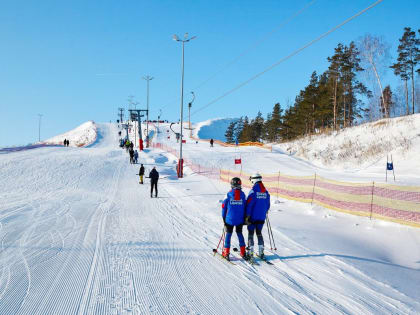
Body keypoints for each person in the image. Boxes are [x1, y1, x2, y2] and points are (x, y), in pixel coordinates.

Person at [221, 177, 247, 260]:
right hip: (240, 219)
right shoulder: (243, 195)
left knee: (229, 234)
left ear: (232, 184)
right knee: (239, 233)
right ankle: (243, 252)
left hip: (230, 219)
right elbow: (245, 207)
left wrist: (224, 219)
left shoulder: (228, 195)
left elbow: (224, 208)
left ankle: (226, 252)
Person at [245, 173, 270, 259]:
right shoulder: (265, 192)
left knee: (251, 233)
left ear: (254, 180)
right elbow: (268, 205)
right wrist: (264, 212)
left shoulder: (253, 191)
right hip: (262, 217)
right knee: (259, 233)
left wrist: (247, 216)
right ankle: (261, 251)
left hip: (252, 217)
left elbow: (249, 205)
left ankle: (250, 252)